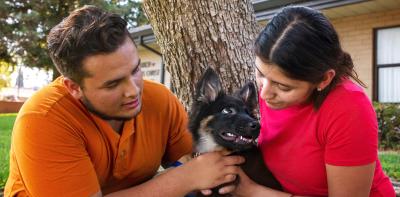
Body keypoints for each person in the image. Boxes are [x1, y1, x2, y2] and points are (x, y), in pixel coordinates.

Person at [4, 5, 244, 197]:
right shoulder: (44, 119)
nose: (133, 91)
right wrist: (183, 179)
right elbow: (187, 175)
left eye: (136, 70)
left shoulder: (159, 100)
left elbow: (193, 158)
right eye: (112, 83)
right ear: (74, 87)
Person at [232, 6, 396, 197]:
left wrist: (254, 192)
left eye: (283, 87)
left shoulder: (348, 108)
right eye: (260, 74)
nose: (265, 93)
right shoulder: (271, 95)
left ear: (324, 79)